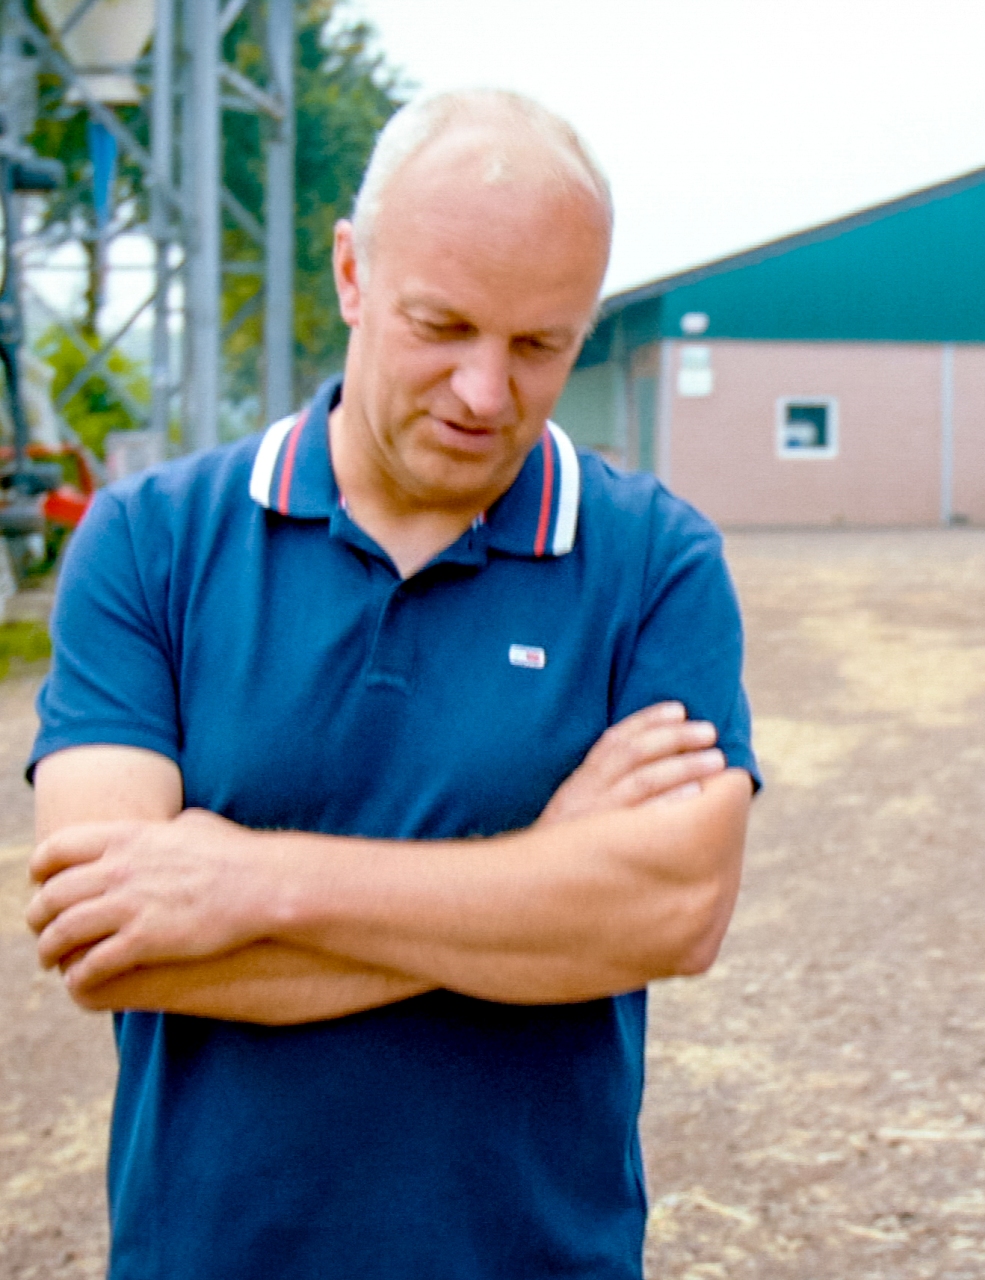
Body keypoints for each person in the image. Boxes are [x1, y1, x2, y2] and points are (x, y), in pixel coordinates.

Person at [23, 89, 756, 1280]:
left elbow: (669, 913)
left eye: (539, 346)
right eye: (443, 324)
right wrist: (541, 885)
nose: (484, 392)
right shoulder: (150, 542)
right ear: (353, 275)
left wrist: (250, 875)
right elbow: (118, 944)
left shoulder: (655, 564)